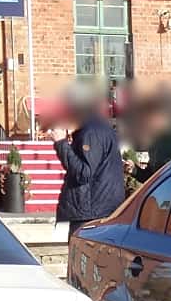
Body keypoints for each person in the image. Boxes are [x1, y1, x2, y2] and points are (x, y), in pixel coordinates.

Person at [51, 84, 125, 236]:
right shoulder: (94, 128)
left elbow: (83, 173)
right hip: (96, 209)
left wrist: (61, 143)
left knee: (82, 257)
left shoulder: (91, 133)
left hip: (92, 212)